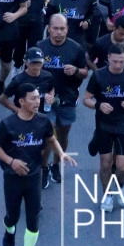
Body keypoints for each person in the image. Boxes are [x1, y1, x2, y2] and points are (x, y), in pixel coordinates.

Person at [0, 82, 75, 246]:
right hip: (13, 178)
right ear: (21, 101)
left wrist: (61, 154)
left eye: (38, 98)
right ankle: (9, 230)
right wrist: (11, 162)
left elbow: (51, 139)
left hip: (34, 177)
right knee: (12, 216)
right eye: (33, 98)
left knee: (33, 219)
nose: (37, 101)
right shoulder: (8, 124)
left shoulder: (43, 121)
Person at [83, 42, 124, 211]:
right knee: (105, 164)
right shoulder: (99, 75)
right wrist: (98, 105)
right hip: (104, 124)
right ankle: (108, 195)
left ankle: (120, 186)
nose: (118, 65)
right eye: (114, 61)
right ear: (108, 58)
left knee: (123, 167)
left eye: (122, 62)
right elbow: (86, 99)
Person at [38, 14, 88, 185]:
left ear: (67, 29)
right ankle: (43, 167)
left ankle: (56, 164)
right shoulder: (40, 47)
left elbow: (85, 72)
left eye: (62, 29)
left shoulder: (76, 49)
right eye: (55, 28)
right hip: (46, 99)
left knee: (63, 133)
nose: (59, 32)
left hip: (67, 97)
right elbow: (29, 71)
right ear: (49, 29)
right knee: (47, 134)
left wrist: (75, 70)